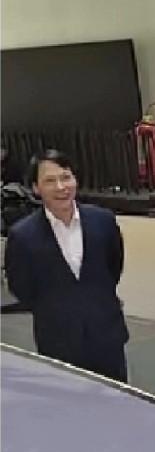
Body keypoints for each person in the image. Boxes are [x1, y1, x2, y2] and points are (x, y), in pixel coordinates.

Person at [5, 150, 129, 382]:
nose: (61, 187)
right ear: (35, 188)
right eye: (50, 181)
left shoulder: (103, 221)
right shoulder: (23, 236)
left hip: (107, 334)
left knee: (116, 399)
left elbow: (113, 266)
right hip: (58, 340)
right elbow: (21, 286)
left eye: (66, 177)